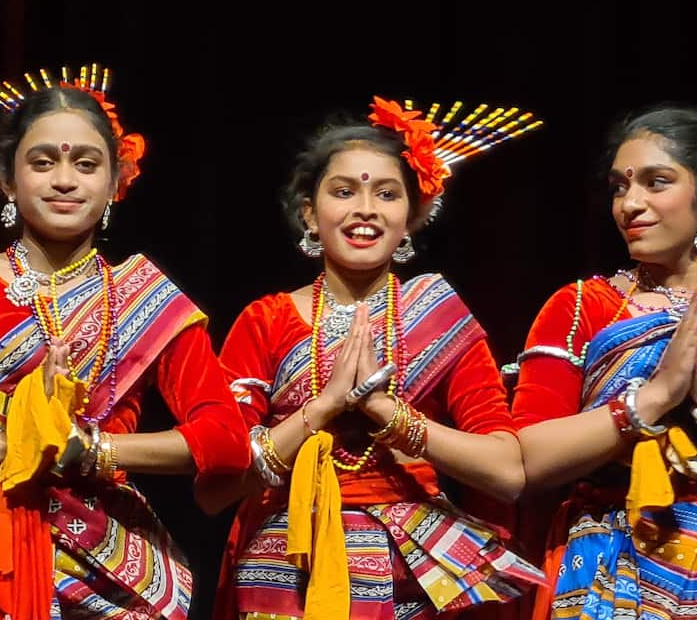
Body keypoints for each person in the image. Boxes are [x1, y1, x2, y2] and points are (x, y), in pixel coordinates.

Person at [0, 65, 250, 620]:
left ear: (115, 183)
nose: (65, 179)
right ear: (8, 182)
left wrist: (92, 451)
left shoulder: (147, 300)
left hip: (109, 564)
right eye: (43, 162)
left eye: (86, 164)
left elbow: (226, 442)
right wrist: (3, 448)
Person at [205, 97, 545, 620]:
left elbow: (506, 472)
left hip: (412, 572)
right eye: (344, 192)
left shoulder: (439, 320)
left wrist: (388, 414)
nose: (365, 208)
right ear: (309, 214)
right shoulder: (265, 320)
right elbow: (217, 486)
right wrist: (321, 410)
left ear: (411, 217)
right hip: (286, 566)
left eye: (386, 194)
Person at [511, 95, 697, 620]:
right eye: (620, 186)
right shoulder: (581, 306)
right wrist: (651, 399)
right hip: (608, 565)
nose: (629, 203)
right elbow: (525, 462)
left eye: (656, 181)